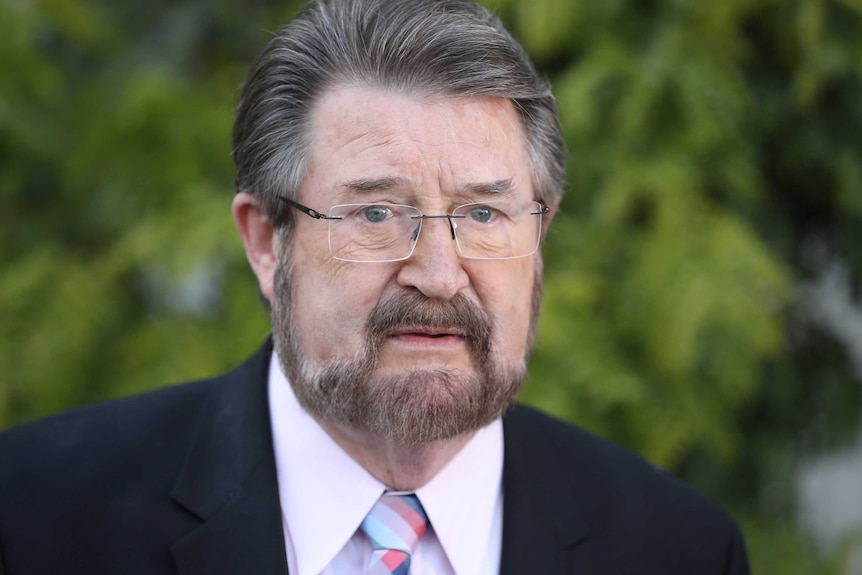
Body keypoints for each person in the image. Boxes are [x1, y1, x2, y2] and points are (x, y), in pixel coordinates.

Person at [0, 0, 751, 573]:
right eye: (377, 212)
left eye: (483, 212)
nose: (436, 272)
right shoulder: (33, 513)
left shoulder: (678, 546)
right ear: (266, 239)